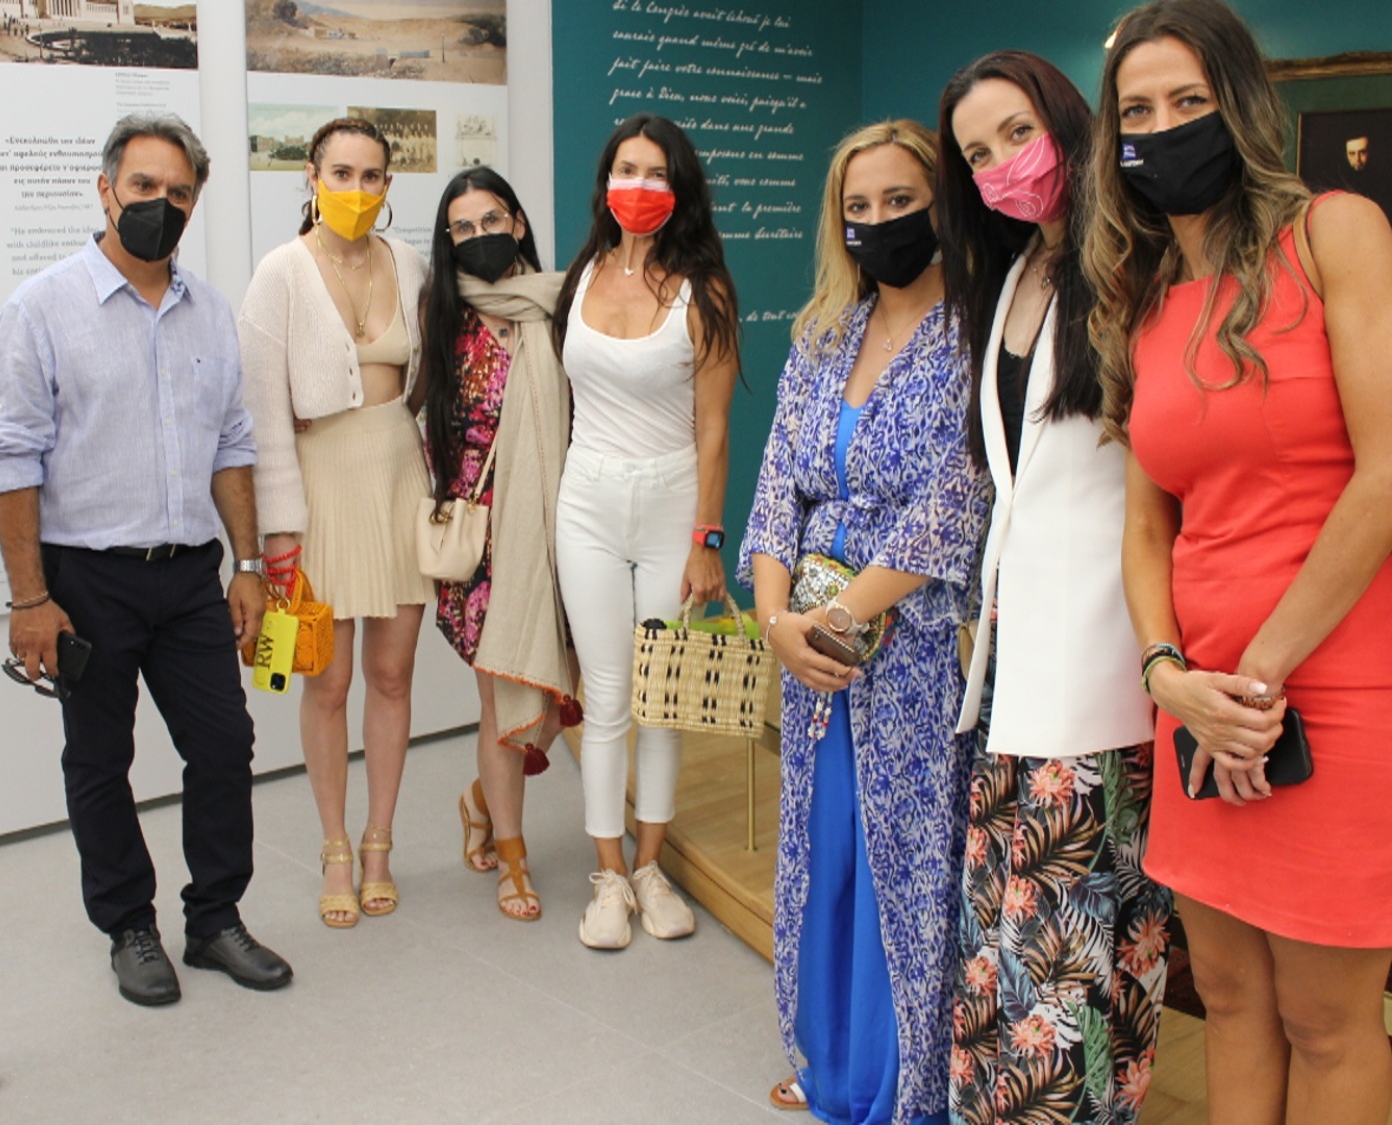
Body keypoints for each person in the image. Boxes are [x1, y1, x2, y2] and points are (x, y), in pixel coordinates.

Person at [1087, 2, 1392, 1121]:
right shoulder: (1141, 300)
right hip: (1200, 699)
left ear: (1240, 106)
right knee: (1233, 999)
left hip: (1334, 690)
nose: (1161, 128)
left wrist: (1252, 682)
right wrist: (1167, 675)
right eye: (1136, 111)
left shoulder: (1334, 233)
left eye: (1187, 101)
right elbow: (1146, 526)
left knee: (1326, 1024)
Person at [0, 113, 292, 1007]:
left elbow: (232, 444)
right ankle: (128, 925)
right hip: (86, 579)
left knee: (225, 742)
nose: (161, 203)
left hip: (190, 572)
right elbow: (11, 458)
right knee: (98, 758)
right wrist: (29, 598)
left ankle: (215, 918)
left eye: (179, 191)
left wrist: (246, 565)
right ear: (106, 190)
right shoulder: (42, 307)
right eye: (144, 186)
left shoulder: (211, 312)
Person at [739, 119, 989, 1125]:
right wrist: (775, 621)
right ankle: (829, 1064)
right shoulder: (822, 335)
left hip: (913, 647)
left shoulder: (975, 335)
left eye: (899, 202)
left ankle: (901, 1085)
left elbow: (954, 500)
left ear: (941, 206)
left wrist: (840, 616)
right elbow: (775, 485)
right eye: (858, 207)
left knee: (905, 859)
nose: (878, 222)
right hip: (809, 643)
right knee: (823, 846)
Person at [938, 52, 1171, 1122]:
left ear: (1069, 126)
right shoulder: (1013, 273)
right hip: (1013, 656)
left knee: (1077, 947)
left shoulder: (1137, 265)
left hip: (1103, 651)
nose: (1002, 165)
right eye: (977, 154)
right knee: (999, 934)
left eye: (1017, 135)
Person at [240, 117, 431, 929]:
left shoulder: (410, 262)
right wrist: (276, 535)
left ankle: (380, 841)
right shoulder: (280, 272)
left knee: (392, 677)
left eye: (371, 176)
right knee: (326, 680)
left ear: (388, 184)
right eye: (341, 173)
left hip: (397, 483)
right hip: (315, 492)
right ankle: (335, 848)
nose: (356, 189)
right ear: (312, 177)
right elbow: (262, 417)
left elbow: (426, 383)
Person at [554, 113, 739, 950]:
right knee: (605, 696)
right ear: (605, 183)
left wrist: (707, 539)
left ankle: (651, 866)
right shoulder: (581, 275)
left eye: (657, 172)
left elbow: (714, 427)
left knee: (661, 700)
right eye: (626, 169)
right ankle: (607, 875)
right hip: (587, 501)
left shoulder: (706, 291)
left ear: (681, 188)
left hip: (671, 503)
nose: (639, 185)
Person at [418, 167, 575, 922]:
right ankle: (514, 858)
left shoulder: (561, 305)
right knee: (503, 699)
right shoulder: (442, 315)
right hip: (482, 540)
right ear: (448, 241)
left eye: (490, 221)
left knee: (554, 698)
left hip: (557, 526)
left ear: (516, 222)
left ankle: (481, 800)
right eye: (463, 228)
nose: (479, 236)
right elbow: (422, 427)